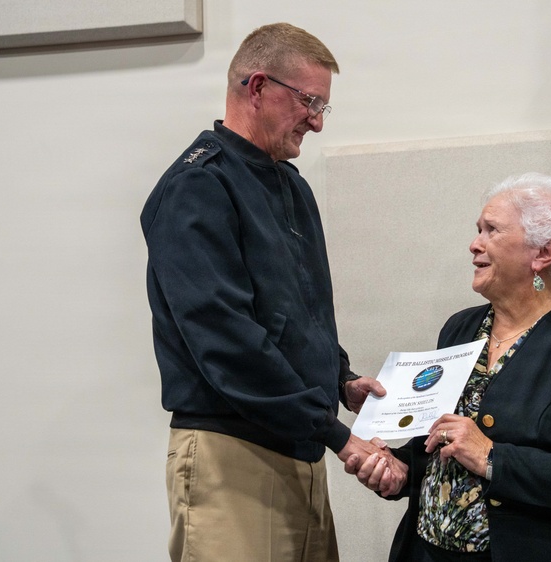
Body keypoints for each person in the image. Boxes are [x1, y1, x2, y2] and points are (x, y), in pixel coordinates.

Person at [140, 22, 398, 562]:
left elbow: (299, 315)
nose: (317, 123)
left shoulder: (291, 187)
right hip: (232, 459)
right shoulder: (198, 187)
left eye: (323, 106)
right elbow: (228, 341)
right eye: (309, 101)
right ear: (257, 87)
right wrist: (338, 436)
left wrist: (340, 381)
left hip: (299, 451)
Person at [350, 172, 551, 561]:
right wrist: (401, 471)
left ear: (543, 254)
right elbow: (438, 439)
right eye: (478, 230)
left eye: (491, 231)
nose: (474, 245)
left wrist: (493, 457)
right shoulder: (461, 328)